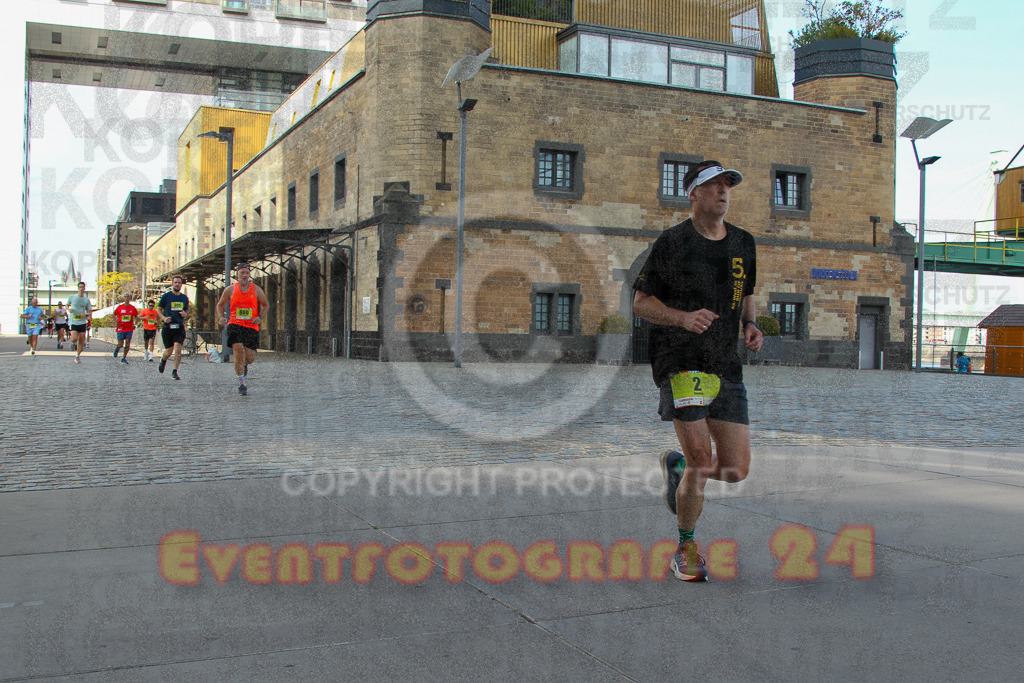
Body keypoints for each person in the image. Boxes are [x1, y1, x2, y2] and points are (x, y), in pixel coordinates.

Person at [633, 161, 764, 582]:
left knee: (736, 469)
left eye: (728, 185)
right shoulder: (673, 242)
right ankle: (685, 547)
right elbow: (641, 303)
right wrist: (682, 318)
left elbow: (747, 294)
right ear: (693, 194)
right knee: (702, 460)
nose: (723, 192)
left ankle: (677, 470)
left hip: (725, 364)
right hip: (681, 361)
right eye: (713, 185)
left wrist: (750, 324)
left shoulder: (743, 242)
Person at [216, 262, 270, 395]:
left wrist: (260, 317)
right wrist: (221, 317)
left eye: (247, 273)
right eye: (242, 273)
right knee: (238, 350)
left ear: (249, 274)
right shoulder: (230, 289)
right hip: (235, 324)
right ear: (237, 275)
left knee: (250, 358)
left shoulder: (256, 289)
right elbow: (220, 305)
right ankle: (241, 383)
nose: (244, 275)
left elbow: (265, 305)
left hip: (251, 326)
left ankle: (244, 365)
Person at [157, 275, 190, 380]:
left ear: (181, 284)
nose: (177, 284)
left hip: (179, 327)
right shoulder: (166, 296)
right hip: (168, 327)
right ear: (172, 284)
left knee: (178, 348)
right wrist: (163, 318)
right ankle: (163, 359)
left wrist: (185, 314)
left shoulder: (184, 298)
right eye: (175, 282)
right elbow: (158, 309)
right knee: (169, 351)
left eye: (179, 283)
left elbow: (186, 311)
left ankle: (175, 371)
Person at [66, 282, 92, 364]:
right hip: (74, 321)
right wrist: (69, 309)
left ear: (84, 288)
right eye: (80, 287)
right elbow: (66, 305)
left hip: (82, 322)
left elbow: (90, 311)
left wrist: (86, 315)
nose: (81, 289)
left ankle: (77, 356)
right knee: (74, 338)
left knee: (81, 340)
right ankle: (73, 342)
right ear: (78, 288)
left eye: (82, 287)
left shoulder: (86, 300)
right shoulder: (72, 297)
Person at [112, 293, 139, 364]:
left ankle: (124, 358)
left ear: (129, 298)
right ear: (123, 298)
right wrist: (115, 322)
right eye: (125, 297)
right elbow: (114, 314)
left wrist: (135, 323)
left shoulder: (132, 308)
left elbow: (136, 316)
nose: (126, 298)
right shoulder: (120, 307)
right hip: (121, 328)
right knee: (120, 344)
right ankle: (117, 348)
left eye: (128, 297)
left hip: (129, 329)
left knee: (127, 344)